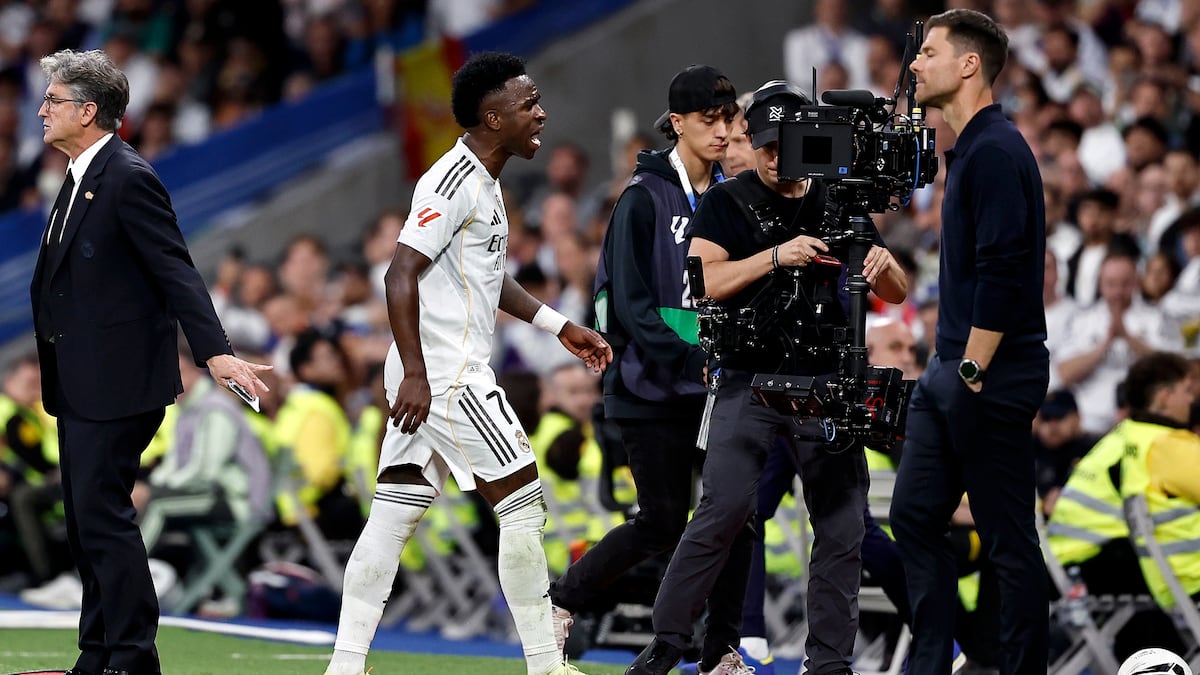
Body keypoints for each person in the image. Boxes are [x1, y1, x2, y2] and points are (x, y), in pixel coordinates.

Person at [322, 51, 611, 675]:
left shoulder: (485, 182)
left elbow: (488, 277)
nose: (542, 113)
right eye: (529, 104)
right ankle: (546, 665)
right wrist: (418, 373)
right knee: (523, 504)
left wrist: (559, 325)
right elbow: (399, 274)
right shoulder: (451, 181)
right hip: (444, 375)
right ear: (493, 117)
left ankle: (345, 665)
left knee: (392, 517)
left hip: (430, 373)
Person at [627, 79, 907, 675]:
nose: (777, 157)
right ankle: (669, 640)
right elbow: (706, 282)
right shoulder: (726, 201)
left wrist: (885, 266)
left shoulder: (837, 197)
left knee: (842, 526)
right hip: (748, 377)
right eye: (768, 145)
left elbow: (896, 289)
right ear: (751, 142)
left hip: (826, 380)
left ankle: (828, 663)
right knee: (723, 510)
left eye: (790, 145)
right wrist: (777, 255)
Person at [28, 49, 270, 675]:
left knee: (104, 519)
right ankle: (97, 655)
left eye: (53, 100)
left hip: (116, 382)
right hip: (80, 379)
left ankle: (132, 660)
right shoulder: (80, 175)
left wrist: (215, 352)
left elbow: (175, 270)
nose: (42, 110)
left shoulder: (127, 176)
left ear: (88, 111)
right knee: (86, 522)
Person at [550, 64, 736, 644]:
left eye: (728, 119)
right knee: (662, 520)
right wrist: (688, 358)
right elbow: (630, 305)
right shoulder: (642, 197)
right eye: (709, 120)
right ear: (677, 123)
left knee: (736, 518)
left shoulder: (730, 195)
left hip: (711, 383)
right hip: (647, 384)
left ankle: (721, 650)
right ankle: (560, 601)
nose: (723, 131)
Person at [889, 10, 1051, 675]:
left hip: (986, 375)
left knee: (1008, 541)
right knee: (913, 515)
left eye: (928, 52)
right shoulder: (973, 149)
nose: (914, 63)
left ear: (969, 64)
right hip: (953, 370)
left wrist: (972, 372)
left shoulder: (996, 152)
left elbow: (1005, 276)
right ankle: (938, 662)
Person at [1047, 351, 1197, 659]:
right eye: (1187, 390)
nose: (1192, 399)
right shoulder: (1164, 443)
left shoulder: (1121, 437)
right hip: (1111, 565)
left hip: (1069, 563)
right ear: (1164, 396)